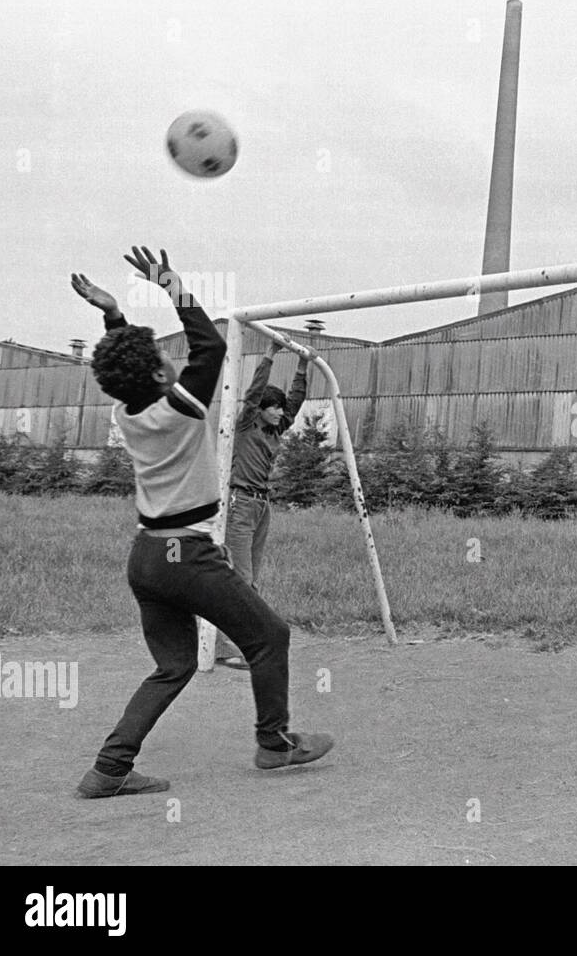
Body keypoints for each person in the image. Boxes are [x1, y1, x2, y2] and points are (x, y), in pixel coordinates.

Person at [69, 247, 333, 798]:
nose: (168, 359)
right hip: (183, 555)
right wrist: (171, 285)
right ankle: (273, 743)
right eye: (156, 356)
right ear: (154, 370)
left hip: (146, 558)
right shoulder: (181, 408)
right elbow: (208, 343)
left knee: (173, 666)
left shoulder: (128, 409)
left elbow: (132, 368)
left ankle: (109, 770)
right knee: (270, 636)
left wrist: (114, 316)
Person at [214, 338, 309, 670]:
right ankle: (227, 648)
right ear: (262, 409)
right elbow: (254, 392)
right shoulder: (246, 423)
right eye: (275, 407)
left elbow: (296, 403)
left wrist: (302, 365)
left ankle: (238, 643)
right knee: (239, 580)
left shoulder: (275, 431)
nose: (281, 412)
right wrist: (269, 355)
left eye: (281, 408)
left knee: (250, 581)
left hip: (261, 505)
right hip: (239, 502)